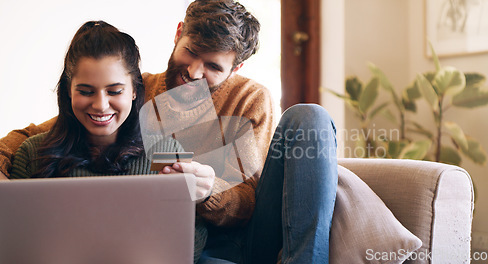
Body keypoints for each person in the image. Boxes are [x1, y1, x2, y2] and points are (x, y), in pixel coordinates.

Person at [0, 1, 339, 263]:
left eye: (212, 66)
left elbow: (251, 198)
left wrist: (209, 192)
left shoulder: (251, 99)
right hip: (179, 242)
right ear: (178, 33)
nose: (192, 72)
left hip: (243, 234)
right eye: (190, 52)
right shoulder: (131, 91)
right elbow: (40, 135)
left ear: (235, 67)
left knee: (309, 118)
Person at [7, 20, 211, 263]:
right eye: (85, 91)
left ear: (134, 91)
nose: (101, 105)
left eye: (114, 91)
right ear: (68, 91)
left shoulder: (165, 153)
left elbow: (190, 237)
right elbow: (13, 242)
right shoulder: (32, 153)